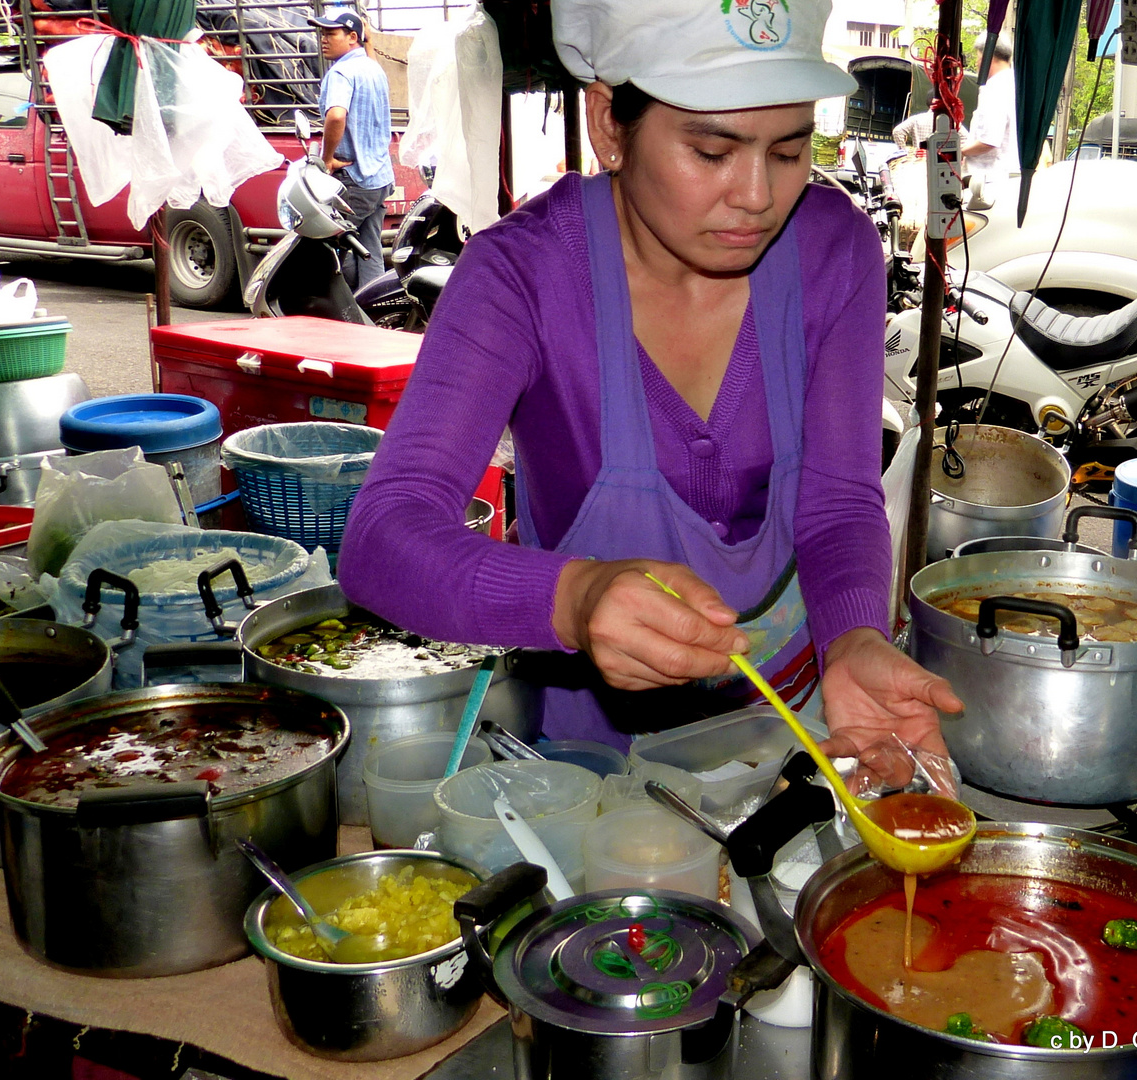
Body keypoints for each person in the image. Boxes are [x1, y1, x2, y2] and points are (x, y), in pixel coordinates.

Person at [336, 0, 963, 764]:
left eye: (789, 150)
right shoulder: (523, 275)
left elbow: (836, 502)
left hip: (793, 723)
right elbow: (384, 538)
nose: (757, 196)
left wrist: (856, 638)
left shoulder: (834, 250)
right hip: (591, 759)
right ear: (608, 125)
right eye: (711, 151)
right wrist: (573, 599)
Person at [308, 7, 394, 289]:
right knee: (369, 251)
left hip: (353, 180)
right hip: (380, 178)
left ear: (352, 37)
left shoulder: (341, 72)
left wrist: (327, 159)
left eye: (331, 33)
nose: (324, 38)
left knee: (329, 248)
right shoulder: (373, 67)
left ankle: (336, 318)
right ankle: (372, 315)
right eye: (322, 32)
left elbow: (335, 115)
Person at [962, 33, 1020, 184]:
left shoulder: (995, 88)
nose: (976, 63)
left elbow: (989, 140)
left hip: (990, 179)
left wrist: (958, 152)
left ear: (988, 57)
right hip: (1011, 173)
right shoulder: (1016, 84)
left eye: (978, 57)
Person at [891, 91, 969, 153]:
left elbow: (897, 131)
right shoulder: (952, 123)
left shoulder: (916, 119)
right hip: (942, 163)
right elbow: (966, 140)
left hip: (919, 160)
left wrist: (904, 152)